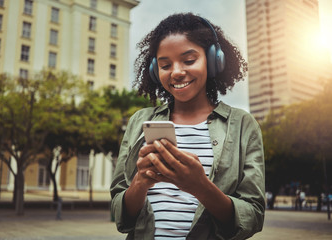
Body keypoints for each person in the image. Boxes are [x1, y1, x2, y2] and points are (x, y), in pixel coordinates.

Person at [110, 13, 265, 240]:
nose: (176, 72)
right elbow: (120, 215)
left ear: (213, 60)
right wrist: (140, 182)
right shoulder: (139, 121)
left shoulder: (242, 125)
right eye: (165, 65)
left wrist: (200, 186)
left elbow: (253, 217)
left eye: (189, 60)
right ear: (155, 70)